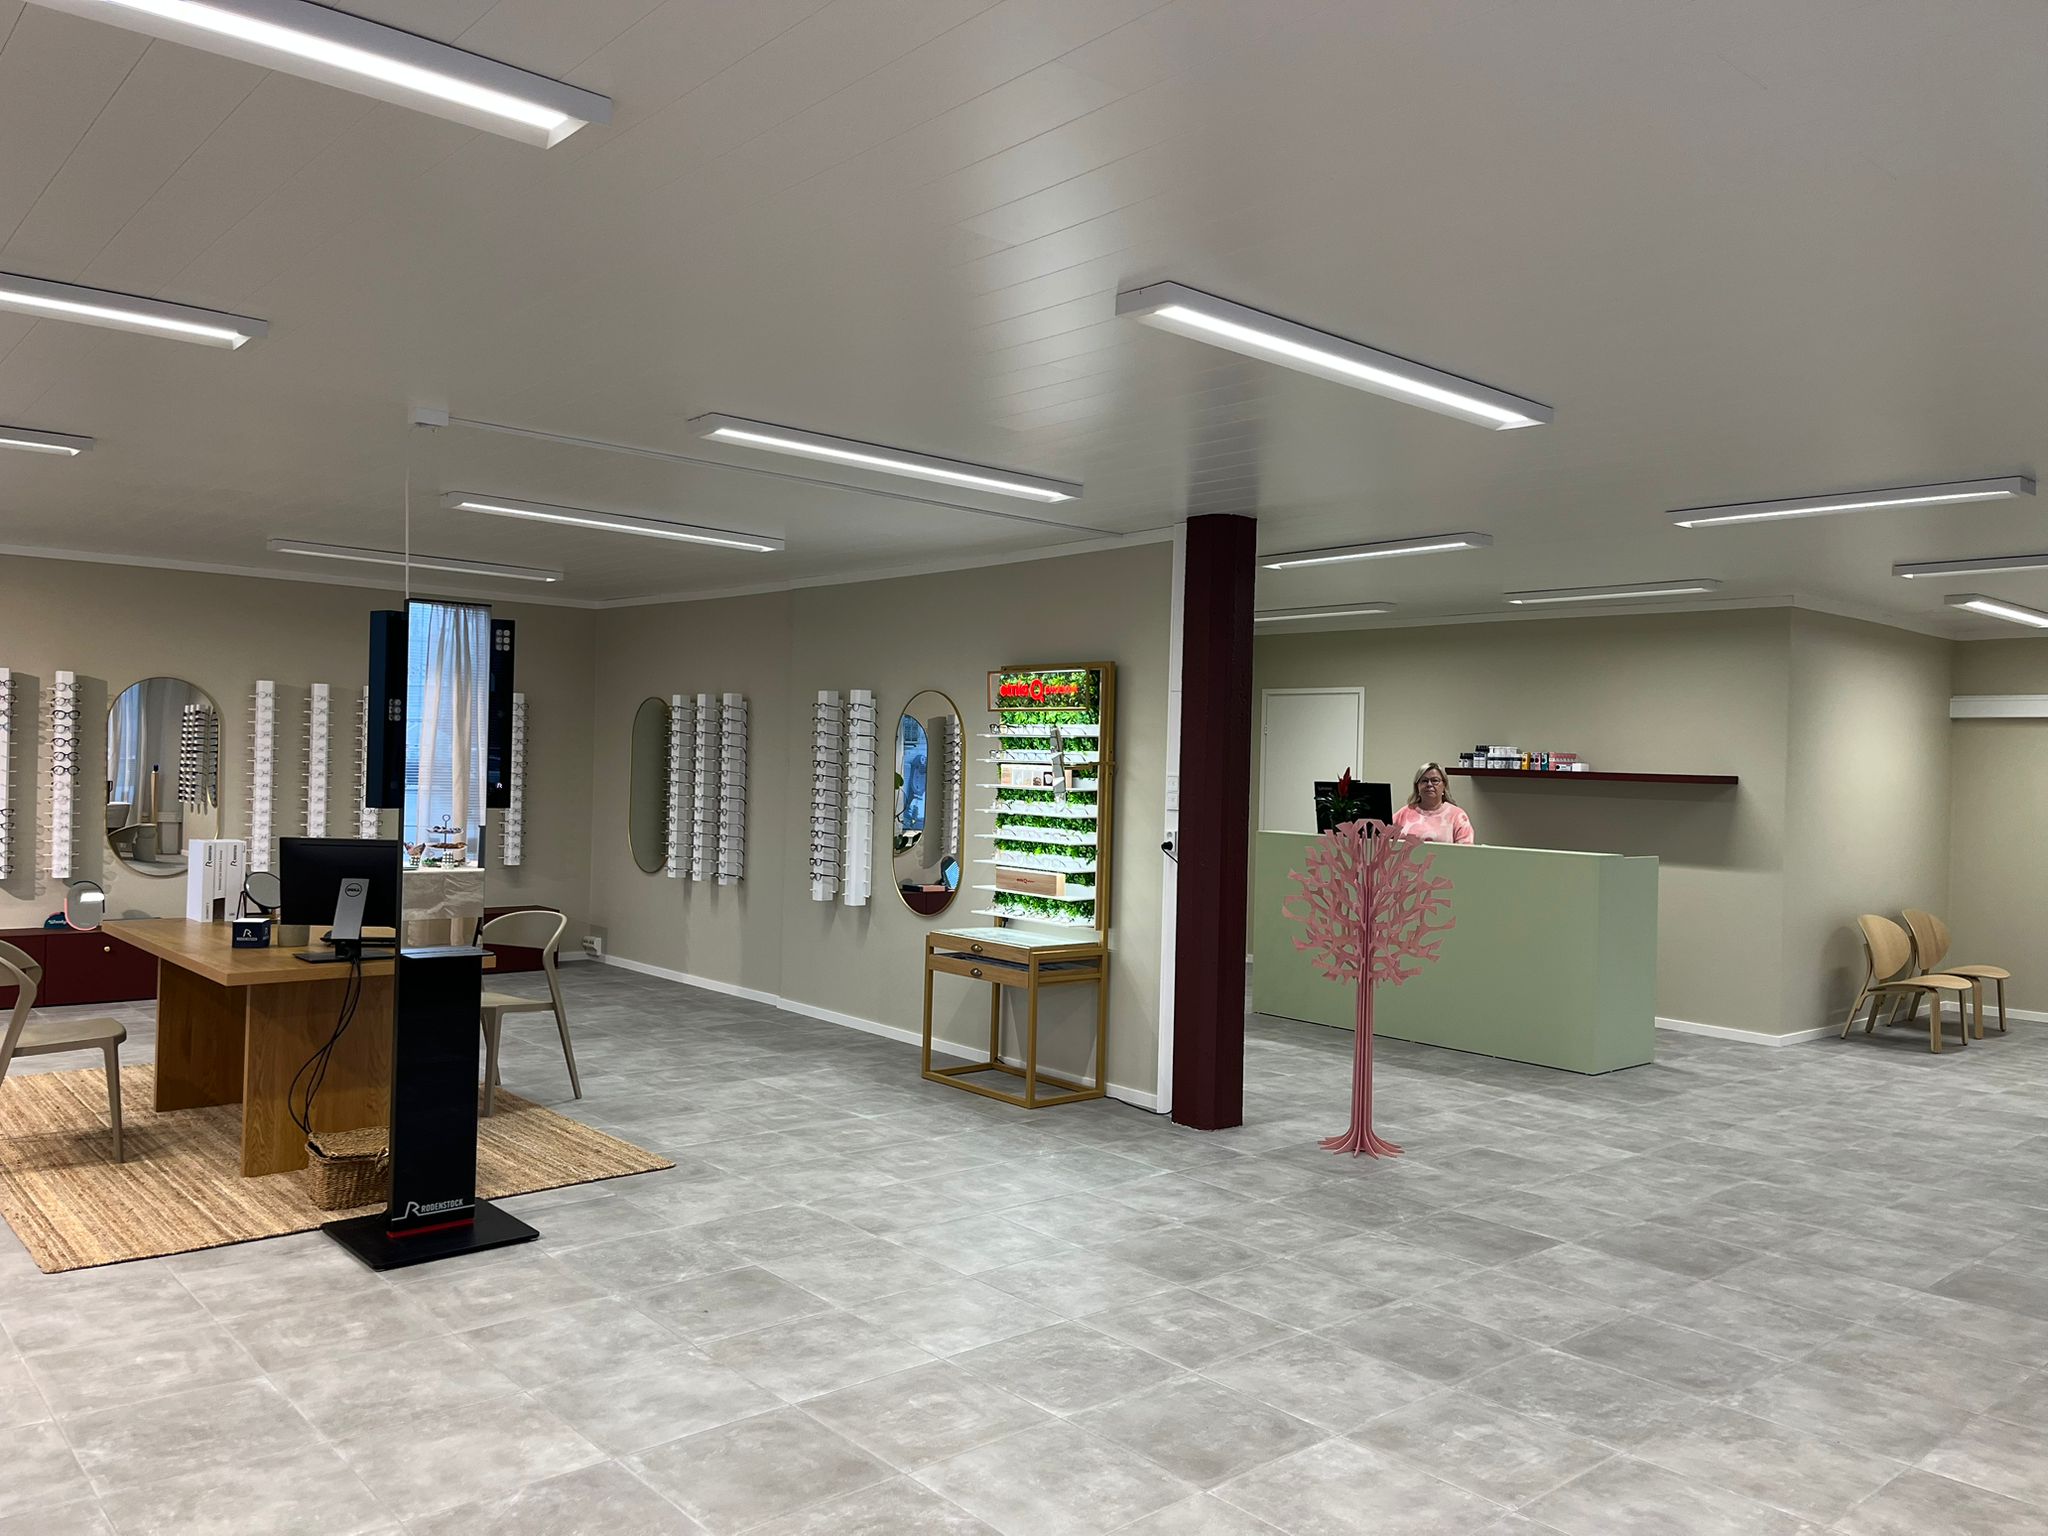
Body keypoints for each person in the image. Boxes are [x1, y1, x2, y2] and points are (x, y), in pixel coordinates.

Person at [1389, 762, 1475, 844]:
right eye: (1424, 781)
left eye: (1435, 780)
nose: (1429, 784)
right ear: (1417, 786)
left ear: (1444, 786)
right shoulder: (1403, 813)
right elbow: (1383, 842)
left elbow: (1466, 852)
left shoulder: (1457, 816)